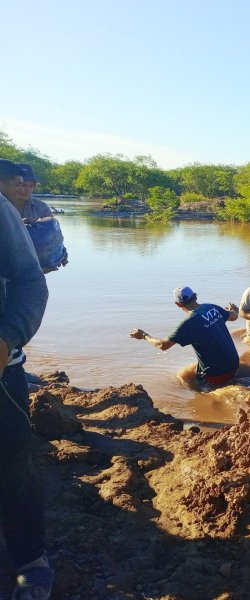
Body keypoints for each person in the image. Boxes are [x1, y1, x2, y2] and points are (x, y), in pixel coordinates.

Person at [0, 186, 53, 599]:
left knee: (14, 465)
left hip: (3, 368)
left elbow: (31, 282)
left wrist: (7, 339)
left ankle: (30, 559)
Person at [129, 287, 240, 386]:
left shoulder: (188, 323)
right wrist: (234, 309)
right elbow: (234, 316)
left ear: (178, 304)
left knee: (193, 385)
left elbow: (163, 345)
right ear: (195, 296)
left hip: (216, 373)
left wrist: (144, 335)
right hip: (234, 363)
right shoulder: (211, 307)